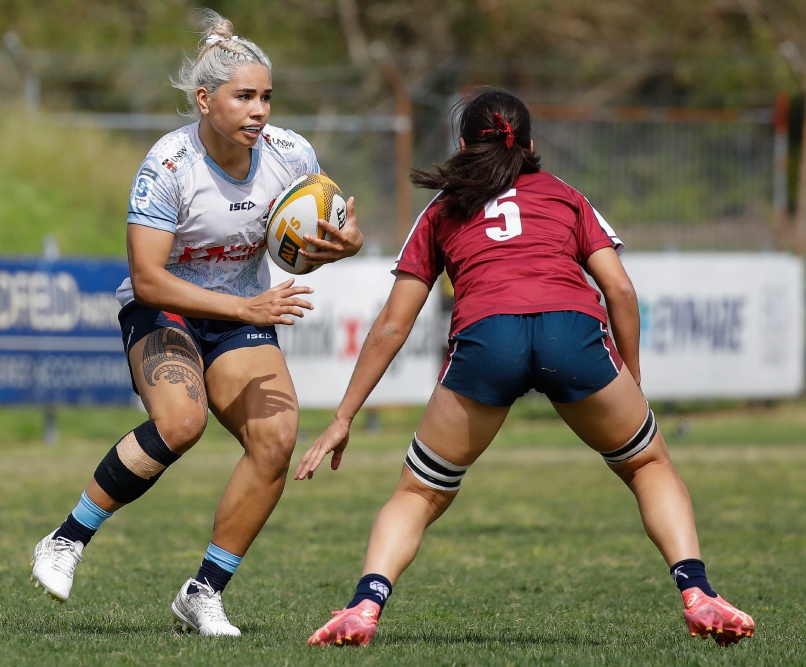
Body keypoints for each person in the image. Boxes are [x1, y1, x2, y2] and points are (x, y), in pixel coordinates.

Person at [294, 87, 754, 648]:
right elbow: (620, 290)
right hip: (571, 333)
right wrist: (631, 377)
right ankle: (697, 591)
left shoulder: (442, 208)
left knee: (419, 493)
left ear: (463, 145)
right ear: (531, 144)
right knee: (647, 464)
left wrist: (344, 416)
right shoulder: (564, 194)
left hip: (490, 339)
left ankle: (364, 606)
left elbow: (393, 324)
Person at [29, 8, 362, 637]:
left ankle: (203, 592)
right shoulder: (168, 166)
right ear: (205, 100)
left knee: (276, 438)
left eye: (266, 96)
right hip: (166, 310)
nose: (259, 109)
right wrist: (245, 307)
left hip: (239, 315)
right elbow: (150, 277)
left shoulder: (292, 154)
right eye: (244, 97)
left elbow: (339, 223)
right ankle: (66, 539)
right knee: (181, 423)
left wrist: (346, 242)